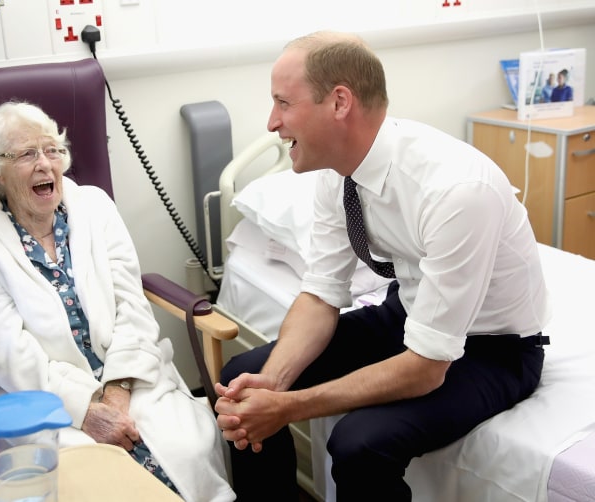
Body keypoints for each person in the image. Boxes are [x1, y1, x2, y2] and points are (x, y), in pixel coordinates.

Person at [215, 31, 551, 501]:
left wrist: (287, 407)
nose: (272, 122)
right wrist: (274, 382)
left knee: (358, 443)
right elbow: (322, 293)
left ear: (339, 102)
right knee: (241, 384)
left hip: (492, 350)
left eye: (283, 103)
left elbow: (427, 367)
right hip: (409, 314)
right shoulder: (337, 171)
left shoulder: (456, 191)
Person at [0, 101, 235, 502]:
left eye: (52, 150)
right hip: (44, 399)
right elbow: (3, 350)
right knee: (93, 482)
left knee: (186, 448)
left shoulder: (95, 206)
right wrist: (85, 407)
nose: (45, 164)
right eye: (27, 154)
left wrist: (117, 389)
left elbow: (131, 305)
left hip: (130, 376)